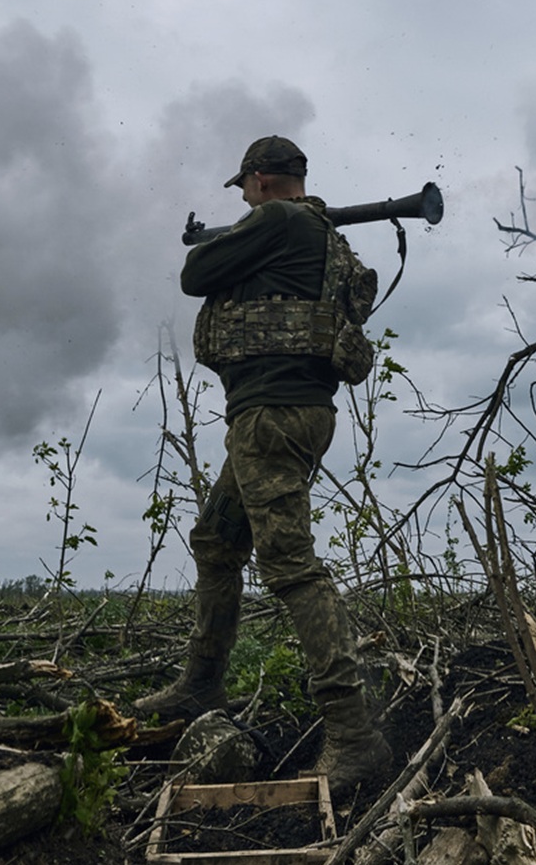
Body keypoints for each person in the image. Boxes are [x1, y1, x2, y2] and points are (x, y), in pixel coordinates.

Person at [135, 135, 392, 797]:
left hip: (272, 415)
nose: (243, 197)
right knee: (219, 542)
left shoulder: (278, 220)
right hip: (284, 414)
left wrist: (231, 237)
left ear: (260, 180)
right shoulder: (318, 234)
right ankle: (200, 686)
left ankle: (354, 734)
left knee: (289, 565)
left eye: (245, 186)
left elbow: (195, 275)